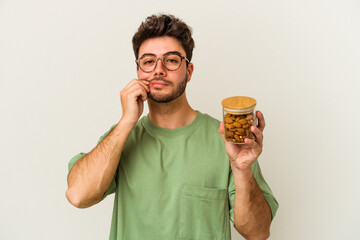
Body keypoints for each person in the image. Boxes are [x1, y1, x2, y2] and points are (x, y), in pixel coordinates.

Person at [66, 14, 278, 240]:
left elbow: (258, 233)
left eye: (171, 60)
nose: (158, 69)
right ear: (138, 72)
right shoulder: (121, 137)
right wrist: (127, 121)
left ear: (189, 71)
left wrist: (242, 171)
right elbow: (78, 195)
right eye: (148, 61)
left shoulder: (226, 141)